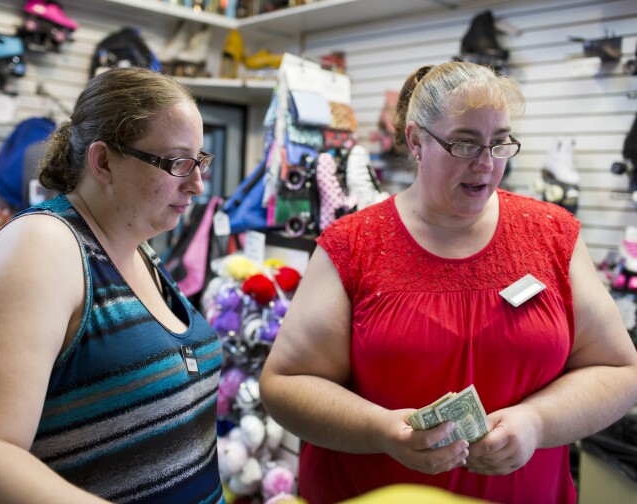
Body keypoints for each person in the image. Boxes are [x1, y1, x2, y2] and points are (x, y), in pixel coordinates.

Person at [259, 61, 637, 504]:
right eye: (464, 144)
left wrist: (538, 422)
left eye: (499, 144)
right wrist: (380, 431)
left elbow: (619, 370)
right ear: (416, 140)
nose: (485, 165)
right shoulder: (353, 244)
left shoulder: (552, 234)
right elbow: (285, 383)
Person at [0, 67, 224, 503]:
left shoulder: (136, 247)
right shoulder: (41, 247)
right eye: (178, 162)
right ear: (103, 161)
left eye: (200, 161)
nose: (197, 184)